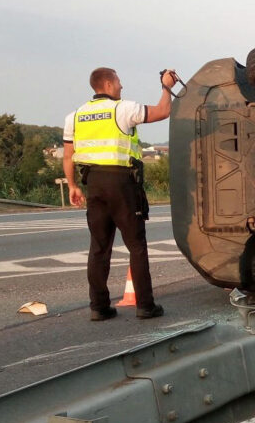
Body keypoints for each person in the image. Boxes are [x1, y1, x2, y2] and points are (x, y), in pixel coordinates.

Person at [62, 67, 176, 320]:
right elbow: (163, 111)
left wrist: (72, 186)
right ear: (108, 83)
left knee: (99, 247)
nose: (122, 86)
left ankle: (99, 308)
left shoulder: (75, 116)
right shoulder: (122, 109)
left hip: (94, 184)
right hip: (121, 183)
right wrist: (166, 87)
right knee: (136, 245)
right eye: (119, 81)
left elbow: (68, 156)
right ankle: (145, 306)